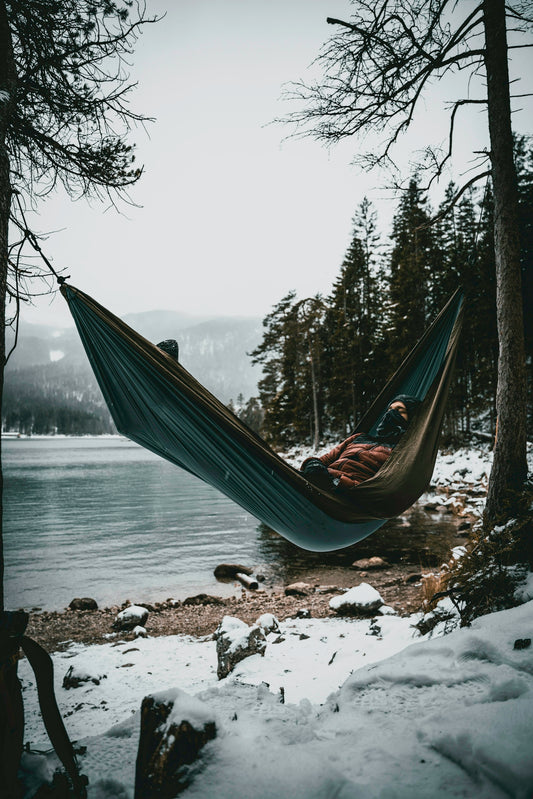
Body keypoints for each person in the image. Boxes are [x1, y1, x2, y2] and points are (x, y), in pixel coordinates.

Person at [300, 394, 421, 492]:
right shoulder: (359, 437)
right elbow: (324, 460)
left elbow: (380, 489)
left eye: (399, 410)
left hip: (344, 493)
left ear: (411, 417)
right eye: (389, 409)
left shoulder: (403, 451)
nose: (390, 414)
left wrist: (337, 482)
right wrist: (312, 465)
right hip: (322, 480)